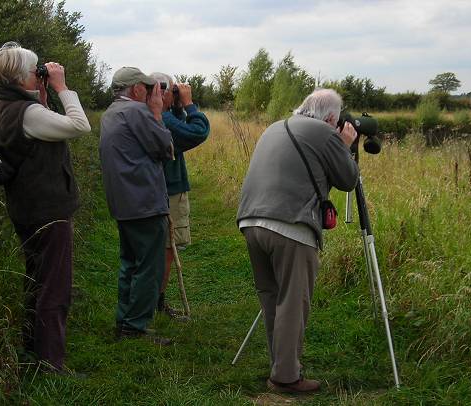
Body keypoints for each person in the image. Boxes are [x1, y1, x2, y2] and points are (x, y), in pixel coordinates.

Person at [236, 89, 359, 393]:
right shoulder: (324, 132)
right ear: (331, 117)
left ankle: (281, 365)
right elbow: (348, 180)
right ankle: (286, 378)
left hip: (250, 221)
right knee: (292, 302)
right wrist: (345, 145)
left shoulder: (275, 127)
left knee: (272, 299)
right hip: (290, 225)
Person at [0, 42, 91, 372]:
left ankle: (32, 350)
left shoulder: (6, 106)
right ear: (20, 77)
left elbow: (39, 135)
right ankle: (51, 363)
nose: (40, 75)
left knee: (36, 281)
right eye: (36, 72)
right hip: (47, 211)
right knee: (54, 287)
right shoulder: (28, 113)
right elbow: (79, 126)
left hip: (26, 209)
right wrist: (63, 88)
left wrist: (43, 97)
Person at [99, 67, 174, 344]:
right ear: (137, 89)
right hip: (144, 202)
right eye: (148, 87)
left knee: (129, 263)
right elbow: (166, 148)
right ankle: (135, 328)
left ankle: (125, 321)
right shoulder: (137, 112)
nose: (153, 92)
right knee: (149, 266)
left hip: (123, 201)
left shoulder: (111, 113)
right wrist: (156, 112)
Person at [149, 72, 210, 319]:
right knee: (167, 248)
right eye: (172, 91)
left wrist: (175, 105)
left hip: (157, 189)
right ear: (161, 91)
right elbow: (197, 132)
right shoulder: (160, 118)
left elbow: (179, 131)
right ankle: (156, 302)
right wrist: (188, 104)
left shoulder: (157, 115)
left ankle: (152, 300)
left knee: (159, 247)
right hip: (170, 190)